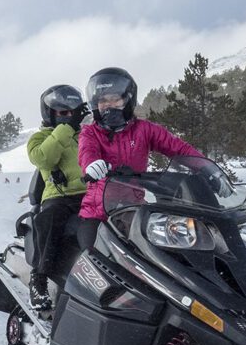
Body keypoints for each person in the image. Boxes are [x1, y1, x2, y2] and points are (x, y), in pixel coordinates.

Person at [78, 67, 203, 249]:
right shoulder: (90, 132)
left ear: (127, 100)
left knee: (159, 251)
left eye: (115, 99)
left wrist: (205, 169)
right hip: (97, 212)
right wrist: (92, 164)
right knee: (92, 255)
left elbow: (178, 148)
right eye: (103, 100)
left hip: (133, 209)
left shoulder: (143, 129)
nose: (109, 105)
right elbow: (86, 151)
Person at [26, 84, 89, 310]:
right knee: (51, 219)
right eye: (63, 113)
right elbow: (44, 159)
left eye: (72, 112)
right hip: (59, 197)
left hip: (91, 194)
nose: (69, 117)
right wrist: (67, 128)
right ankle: (39, 279)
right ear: (49, 113)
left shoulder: (86, 136)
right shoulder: (39, 139)